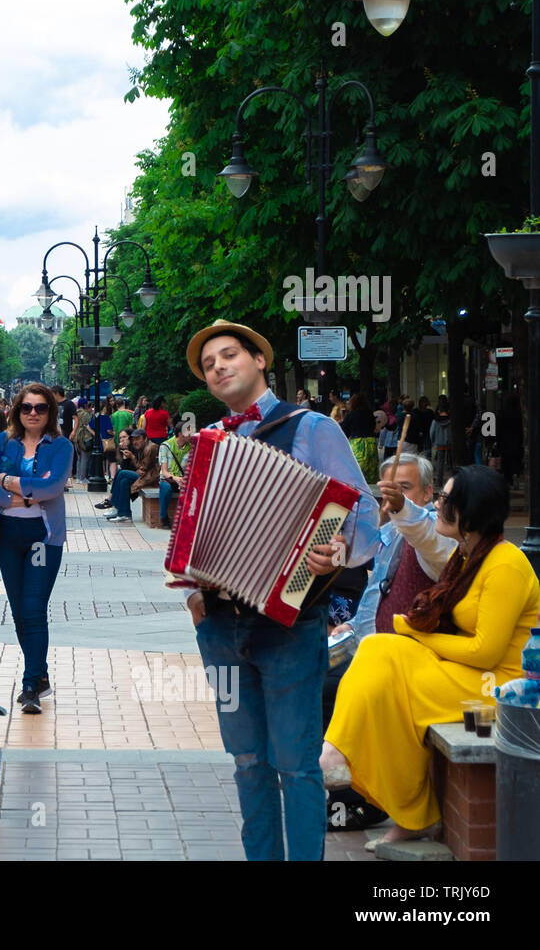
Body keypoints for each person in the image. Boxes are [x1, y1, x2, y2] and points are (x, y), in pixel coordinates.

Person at [182, 319, 380, 861]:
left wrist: (336, 552)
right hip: (220, 627)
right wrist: (192, 596)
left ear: (259, 360)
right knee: (247, 762)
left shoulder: (312, 429)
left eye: (229, 355)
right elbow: (191, 531)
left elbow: (362, 517)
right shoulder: (211, 444)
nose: (219, 366)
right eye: (209, 364)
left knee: (296, 765)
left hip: (290, 622)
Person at [322, 465, 540, 850]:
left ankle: (407, 810)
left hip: (498, 685)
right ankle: (337, 752)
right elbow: (421, 532)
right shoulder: (467, 555)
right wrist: (409, 635)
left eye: (446, 499)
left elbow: (485, 650)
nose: (438, 504)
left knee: (398, 684)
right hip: (470, 671)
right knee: (376, 646)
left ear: (469, 514)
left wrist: (416, 634)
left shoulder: (506, 564)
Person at [321, 453, 456, 830]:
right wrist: (348, 628)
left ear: (429, 492)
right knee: (313, 667)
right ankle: (341, 784)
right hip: (368, 641)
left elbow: (427, 538)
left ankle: (358, 798)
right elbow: (371, 591)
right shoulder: (387, 532)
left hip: (408, 656)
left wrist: (402, 509)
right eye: (388, 491)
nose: (394, 497)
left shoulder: (434, 533)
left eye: (406, 488)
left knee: (333, 685)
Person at [0, 382, 73, 713]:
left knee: (33, 608)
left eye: (41, 408)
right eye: (27, 407)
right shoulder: (4, 441)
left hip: (43, 536)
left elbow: (53, 486)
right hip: (7, 533)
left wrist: (10, 482)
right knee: (19, 611)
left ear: (51, 412)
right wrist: (15, 493)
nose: (33, 413)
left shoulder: (60, 446)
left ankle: (31, 684)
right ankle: (41, 675)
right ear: (17, 410)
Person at [103, 428, 158, 524]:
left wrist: (132, 458)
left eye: (138, 439)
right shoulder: (139, 448)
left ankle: (114, 504)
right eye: (134, 439)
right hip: (142, 475)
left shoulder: (151, 447)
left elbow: (143, 470)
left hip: (149, 478)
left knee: (121, 472)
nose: (135, 441)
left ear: (145, 439)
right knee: (124, 482)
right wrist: (129, 457)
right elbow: (138, 466)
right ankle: (125, 514)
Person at [156, 426, 193, 529]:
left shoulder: (191, 447)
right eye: (189, 433)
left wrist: (184, 480)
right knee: (166, 488)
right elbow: (164, 472)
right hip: (168, 478)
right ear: (181, 434)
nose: (192, 435)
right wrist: (176, 478)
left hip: (183, 479)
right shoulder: (165, 446)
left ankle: (187, 519)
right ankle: (163, 517)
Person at [428, 401, 452, 486]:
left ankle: (439, 482)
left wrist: (434, 442)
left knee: (440, 463)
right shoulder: (451, 420)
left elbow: (432, 432)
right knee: (451, 462)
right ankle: (453, 481)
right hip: (450, 443)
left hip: (439, 443)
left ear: (439, 410)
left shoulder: (435, 421)